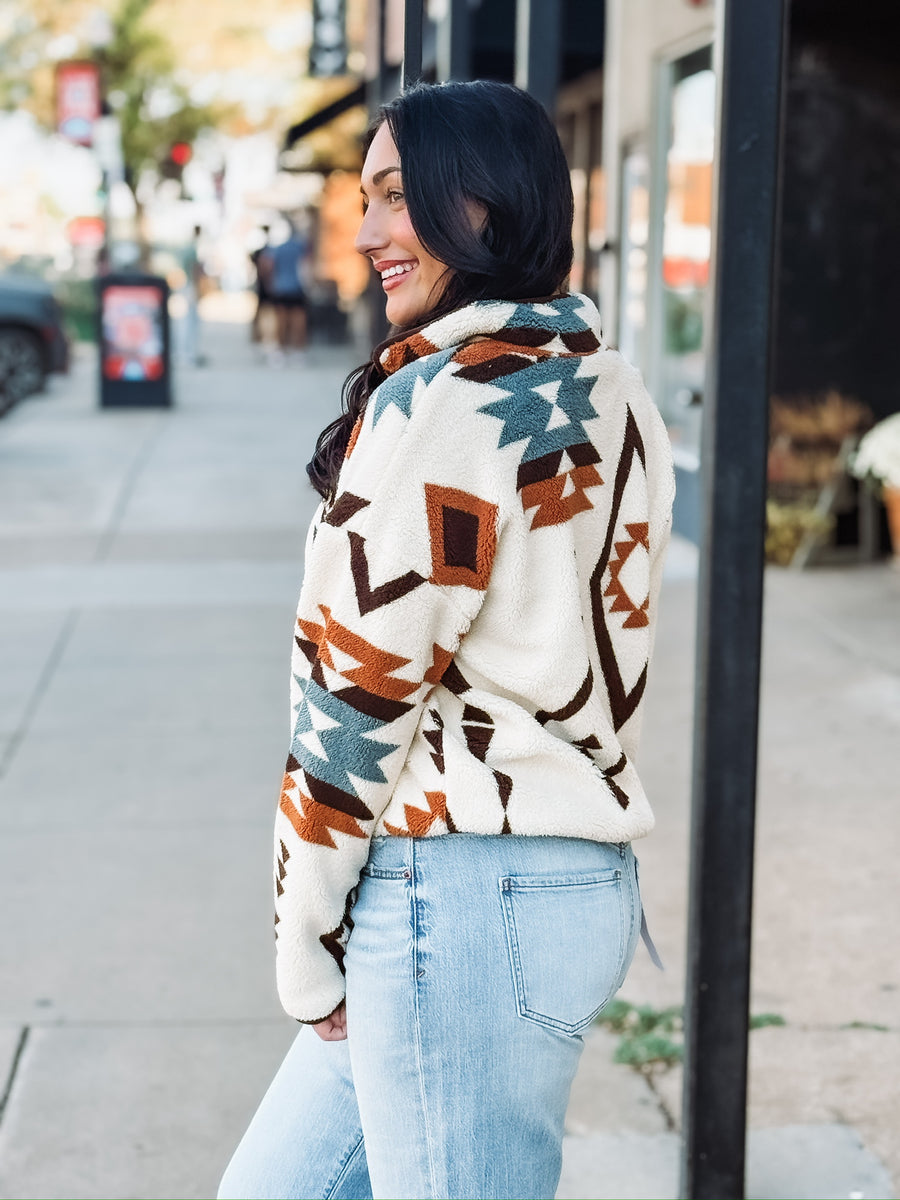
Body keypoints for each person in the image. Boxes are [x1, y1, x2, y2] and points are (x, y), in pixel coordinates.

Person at [218, 80, 674, 1200]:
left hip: (455, 902)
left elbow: (356, 697)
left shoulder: (442, 408)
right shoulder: (610, 386)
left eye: (394, 195)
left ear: (485, 202)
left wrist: (303, 938)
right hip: (556, 885)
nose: (368, 231)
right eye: (363, 197)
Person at [267, 217, 311, 360]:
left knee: (281, 321)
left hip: (281, 287)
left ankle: (280, 350)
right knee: (299, 320)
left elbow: (271, 267)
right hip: (297, 286)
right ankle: (298, 350)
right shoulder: (299, 246)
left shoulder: (278, 249)